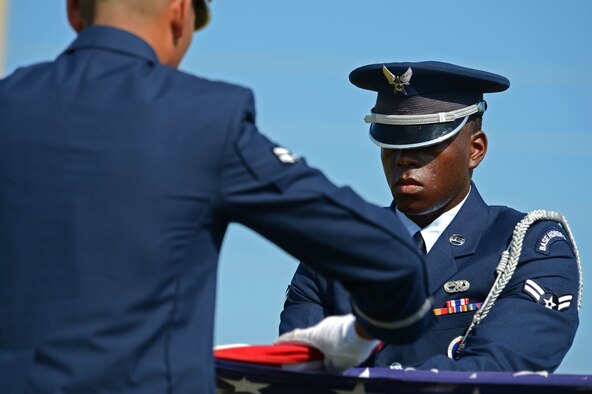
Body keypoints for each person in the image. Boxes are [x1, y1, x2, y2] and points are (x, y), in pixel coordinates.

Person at [0, 2, 434, 393]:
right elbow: (391, 262)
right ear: (179, 11)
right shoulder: (203, 118)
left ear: (74, 11)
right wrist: (363, 332)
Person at [280, 61, 581, 372]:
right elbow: (300, 368)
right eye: (392, 139)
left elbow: (497, 369)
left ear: (475, 150)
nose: (404, 156)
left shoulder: (527, 248)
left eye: (425, 139)